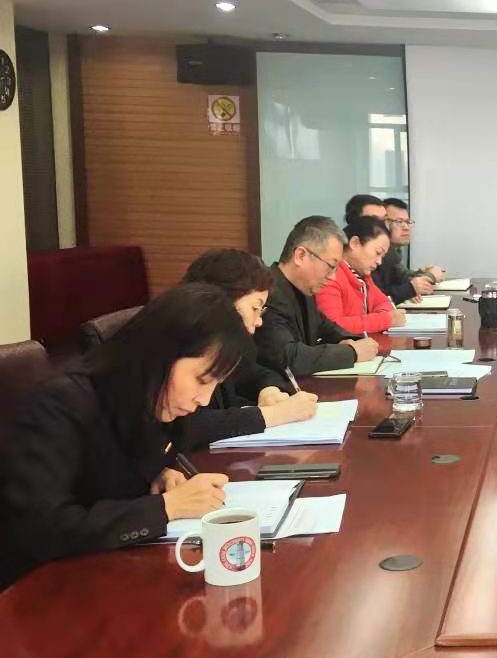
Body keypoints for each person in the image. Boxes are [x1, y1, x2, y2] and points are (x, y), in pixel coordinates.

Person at [0, 284, 249, 588]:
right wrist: (167, 507)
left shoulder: (147, 400)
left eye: (215, 385)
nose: (204, 399)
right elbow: (42, 529)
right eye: (201, 379)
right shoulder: (61, 403)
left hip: (109, 574)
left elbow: (118, 470)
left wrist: (159, 474)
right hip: (39, 590)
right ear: (160, 354)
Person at [177, 248, 319, 448]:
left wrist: (268, 390)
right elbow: (184, 426)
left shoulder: (224, 346)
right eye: (255, 308)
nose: (259, 321)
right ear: (221, 299)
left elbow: (255, 372)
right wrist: (274, 414)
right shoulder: (180, 341)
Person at [255, 216, 379, 377]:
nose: (333, 277)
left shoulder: (304, 288)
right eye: (331, 266)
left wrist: (350, 340)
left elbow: (325, 326)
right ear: (300, 256)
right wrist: (351, 352)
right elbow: (288, 357)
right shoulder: (267, 293)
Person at [316, 215, 408, 334]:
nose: (379, 262)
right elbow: (333, 326)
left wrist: (378, 318)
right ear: (355, 243)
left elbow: (384, 303)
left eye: (382, 256)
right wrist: (385, 320)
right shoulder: (330, 276)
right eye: (377, 252)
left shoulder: (362, 276)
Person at [373, 197, 445, 302]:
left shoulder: (394, 252)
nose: (406, 227)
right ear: (383, 224)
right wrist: (430, 276)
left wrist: (419, 273)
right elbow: (377, 297)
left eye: (407, 222)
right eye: (399, 221)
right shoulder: (377, 256)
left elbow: (402, 279)